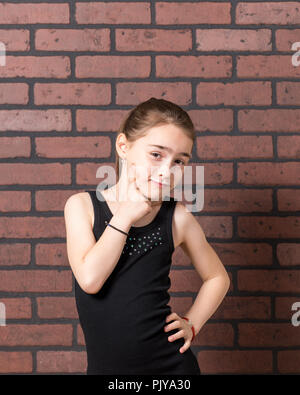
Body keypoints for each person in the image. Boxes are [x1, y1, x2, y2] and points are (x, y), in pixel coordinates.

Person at [64, 97, 230, 375]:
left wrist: (192, 323)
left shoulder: (176, 218)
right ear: (123, 147)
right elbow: (90, 280)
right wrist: (126, 215)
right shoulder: (82, 206)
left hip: (171, 369)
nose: (167, 171)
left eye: (179, 161)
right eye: (156, 154)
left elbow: (217, 277)